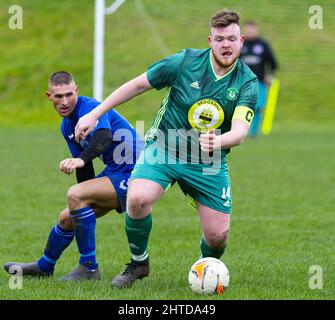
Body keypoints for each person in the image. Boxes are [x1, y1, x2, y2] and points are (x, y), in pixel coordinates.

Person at [74, 9, 258, 288]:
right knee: (137, 198)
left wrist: (218, 141)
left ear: (241, 41)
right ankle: (139, 263)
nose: (226, 45)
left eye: (231, 39)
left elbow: (240, 132)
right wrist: (94, 113)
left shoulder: (247, 82)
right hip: (165, 146)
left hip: (208, 160)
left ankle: (204, 268)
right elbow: (137, 85)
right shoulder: (184, 62)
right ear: (210, 40)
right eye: (219, 39)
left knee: (218, 236)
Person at [4, 71, 144, 281]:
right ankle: (44, 266)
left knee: (75, 195)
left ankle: (89, 268)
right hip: (116, 171)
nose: (64, 101)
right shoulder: (66, 126)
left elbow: (103, 137)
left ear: (76, 91)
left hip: (137, 171)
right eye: (58, 96)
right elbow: (85, 171)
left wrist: (81, 161)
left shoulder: (89, 108)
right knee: (67, 215)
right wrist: (82, 195)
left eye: (69, 94)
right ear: (48, 96)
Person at [239, 21, 278, 137]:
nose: (251, 31)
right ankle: (239, 131)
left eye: (253, 29)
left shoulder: (263, 45)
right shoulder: (239, 44)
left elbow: (273, 63)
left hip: (259, 82)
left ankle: (253, 133)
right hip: (242, 82)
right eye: (248, 29)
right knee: (240, 106)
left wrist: (270, 75)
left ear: (257, 30)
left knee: (257, 107)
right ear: (244, 30)